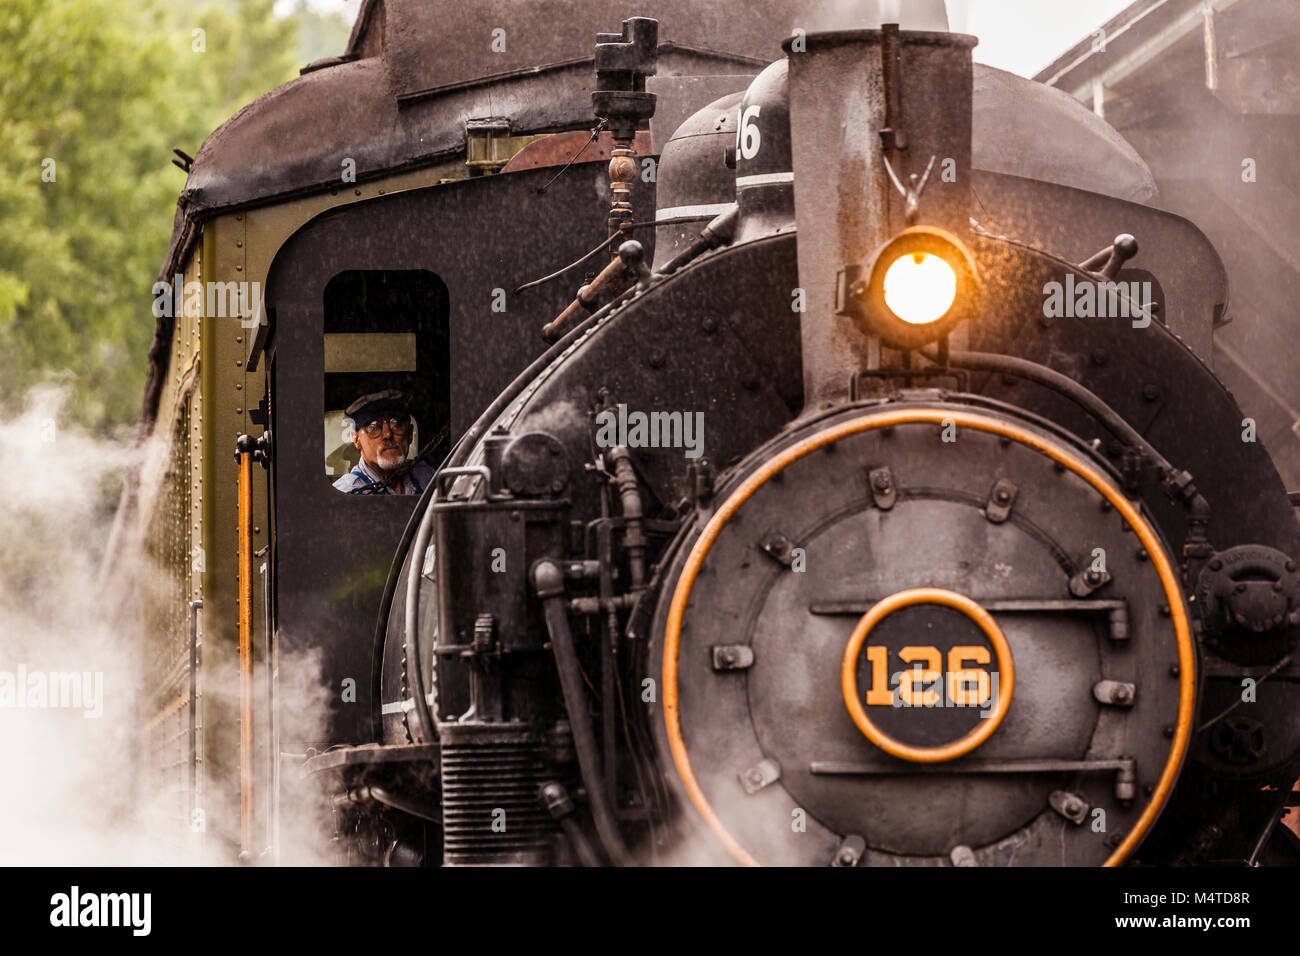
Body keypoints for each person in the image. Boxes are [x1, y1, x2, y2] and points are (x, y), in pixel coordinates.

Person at [332, 389, 435, 495]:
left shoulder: (427, 477)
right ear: (357, 439)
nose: (388, 434)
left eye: (396, 424)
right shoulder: (345, 493)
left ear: (409, 434)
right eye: (374, 427)